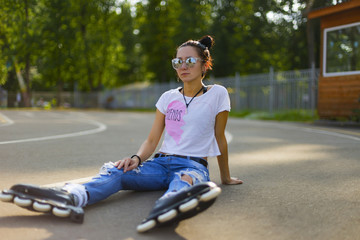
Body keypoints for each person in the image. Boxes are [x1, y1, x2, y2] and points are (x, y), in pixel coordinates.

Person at [0, 35, 242, 232]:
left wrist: (226, 177)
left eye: (190, 61)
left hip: (193, 165)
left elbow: (220, 138)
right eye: (178, 62)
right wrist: (136, 159)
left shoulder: (217, 93)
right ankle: (72, 197)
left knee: (185, 180)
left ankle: (170, 204)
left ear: (204, 65)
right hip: (160, 164)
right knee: (117, 171)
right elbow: (152, 140)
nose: (183, 66)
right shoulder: (168, 97)